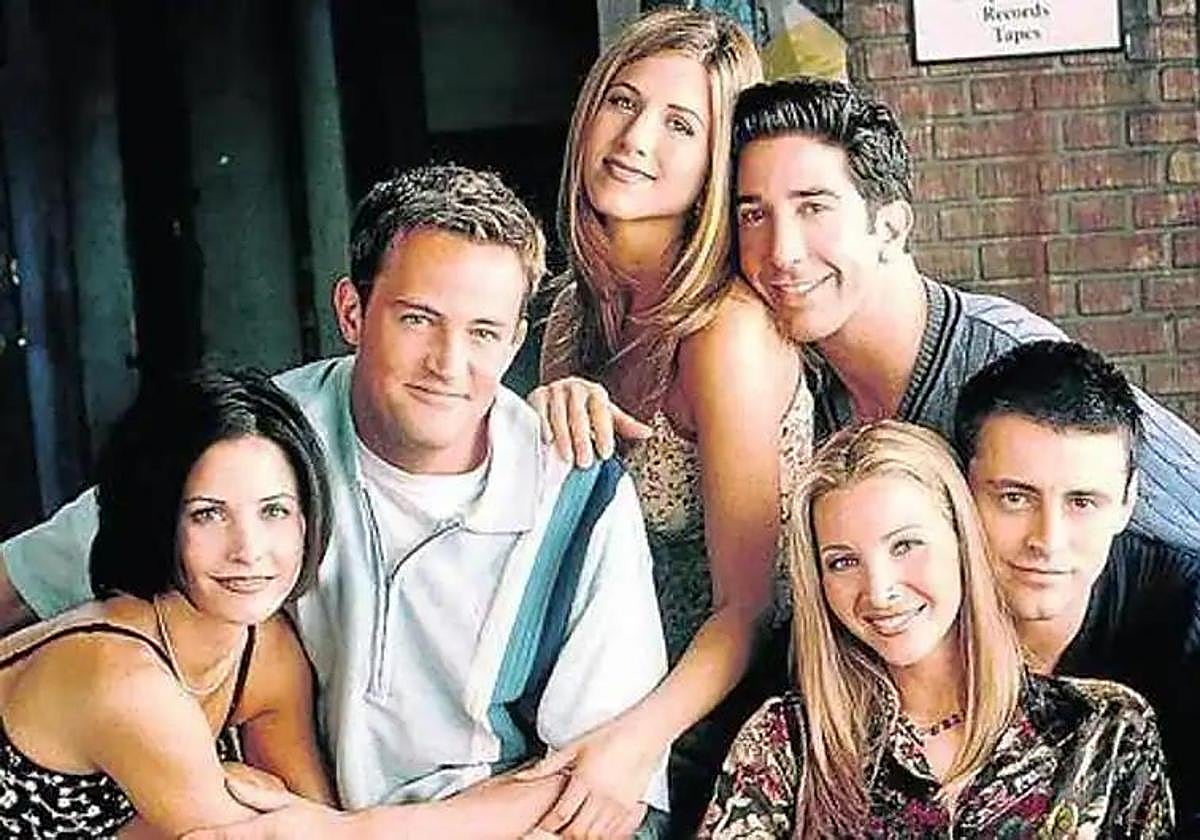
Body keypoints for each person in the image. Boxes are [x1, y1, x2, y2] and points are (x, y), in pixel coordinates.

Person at [0, 164, 669, 839]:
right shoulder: (258, 445)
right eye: (418, 319)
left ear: (515, 341)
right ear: (352, 311)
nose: (448, 363)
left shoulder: (579, 496)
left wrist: (359, 834)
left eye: (483, 333)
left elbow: (601, 780)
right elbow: (28, 579)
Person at [530, 8, 808, 835]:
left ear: (718, 162)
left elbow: (749, 610)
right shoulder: (572, 315)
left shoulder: (725, 332)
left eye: (680, 124)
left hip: (720, 724)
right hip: (598, 692)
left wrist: (627, 748)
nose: (635, 138)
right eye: (622, 101)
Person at [728, 76, 1200, 554]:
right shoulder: (797, 389)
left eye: (813, 208)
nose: (781, 252)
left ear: (891, 228)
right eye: (754, 215)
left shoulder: (1009, 358)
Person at [702, 421, 1174, 838]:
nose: (879, 591)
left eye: (905, 545)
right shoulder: (784, 743)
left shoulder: (1104, 728)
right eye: (843, 562)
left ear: (962, 539)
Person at [0, 369, 336, 837]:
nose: (249, 550)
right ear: (158, 519)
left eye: (273, 510)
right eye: (208, 514)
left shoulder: (264, 647)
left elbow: (318, 823)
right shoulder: (122, 677)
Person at [954, 340, 1200, 833]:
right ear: (960, 489)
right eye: (1015, 497)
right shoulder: (909, 611)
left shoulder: (1186, 615)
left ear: (1127, 503)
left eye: (1082, 502)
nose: (1048, 540)